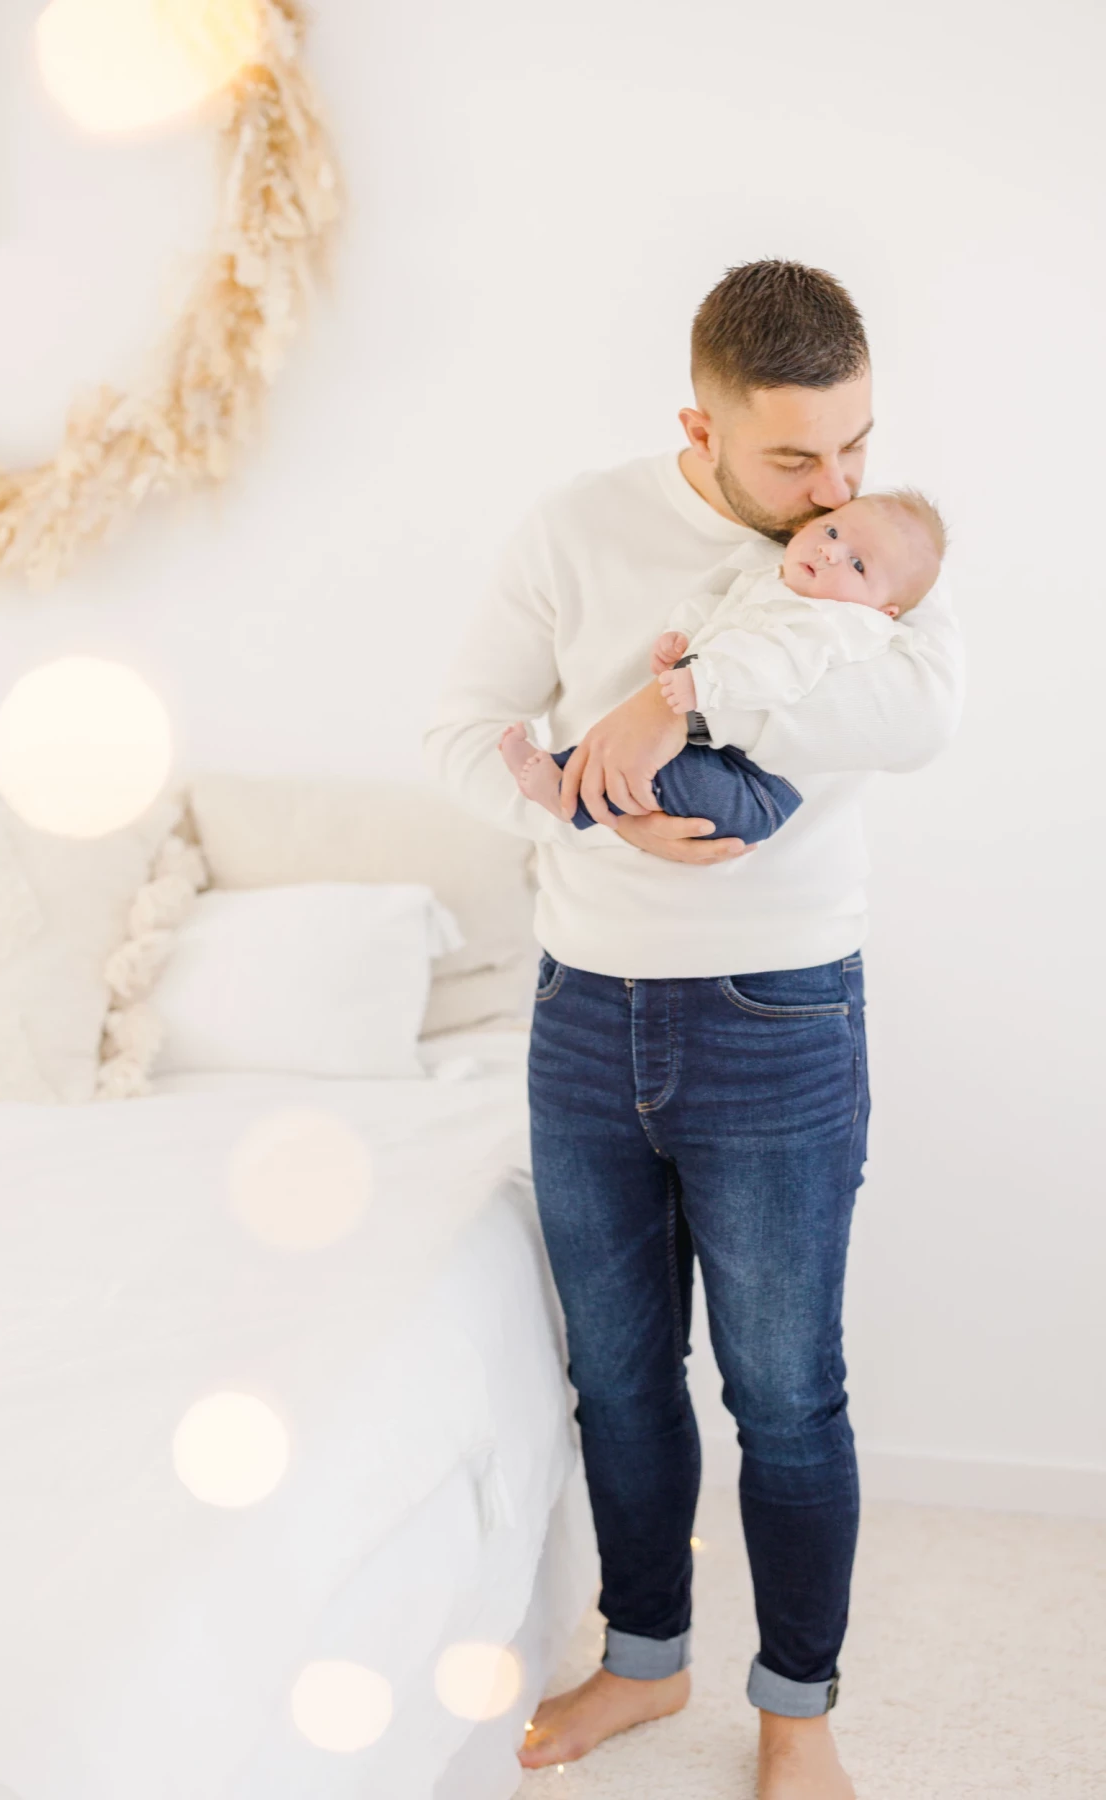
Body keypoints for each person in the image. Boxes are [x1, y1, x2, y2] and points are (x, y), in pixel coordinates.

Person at [424, 260, 962, 1800]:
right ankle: (645, 1662)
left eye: (856, 444)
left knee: (787, 1395)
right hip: (584, 1015)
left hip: (783, 1018)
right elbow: (459, 735)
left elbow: (924, 717)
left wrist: (673, 705)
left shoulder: (874, 552)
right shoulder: (578, 527)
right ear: (699, 427)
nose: (833, 486)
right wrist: (587, 826)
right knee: (620, 1376)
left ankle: (799, 1709)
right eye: (795, 457)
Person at [499, 488, 946, 840]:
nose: (831, 552)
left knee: (673, 772)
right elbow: (719, 613)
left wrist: (703, 683)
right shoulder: (773, 579)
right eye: (831, 532)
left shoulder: (838, 625)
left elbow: (779, 670)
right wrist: (683, 640)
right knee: (636, 756)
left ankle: (568, 796)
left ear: (883, 610)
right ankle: (564, 774)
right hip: (716, 749)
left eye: (857, 564)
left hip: (758, 790)